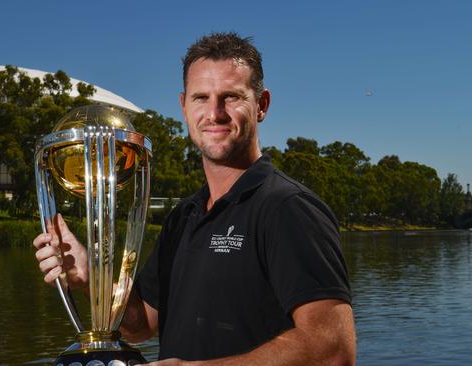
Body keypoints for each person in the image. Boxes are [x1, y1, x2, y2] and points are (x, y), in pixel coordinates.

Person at [34, 32, 356, 365]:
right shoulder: (183, 216)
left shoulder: (287, 207)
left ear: (261, 106)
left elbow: (333, 350)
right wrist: (88, 276)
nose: (214, 113)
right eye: (201, 97)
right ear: (184, 107)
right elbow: (141, 324)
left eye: (231, 97)